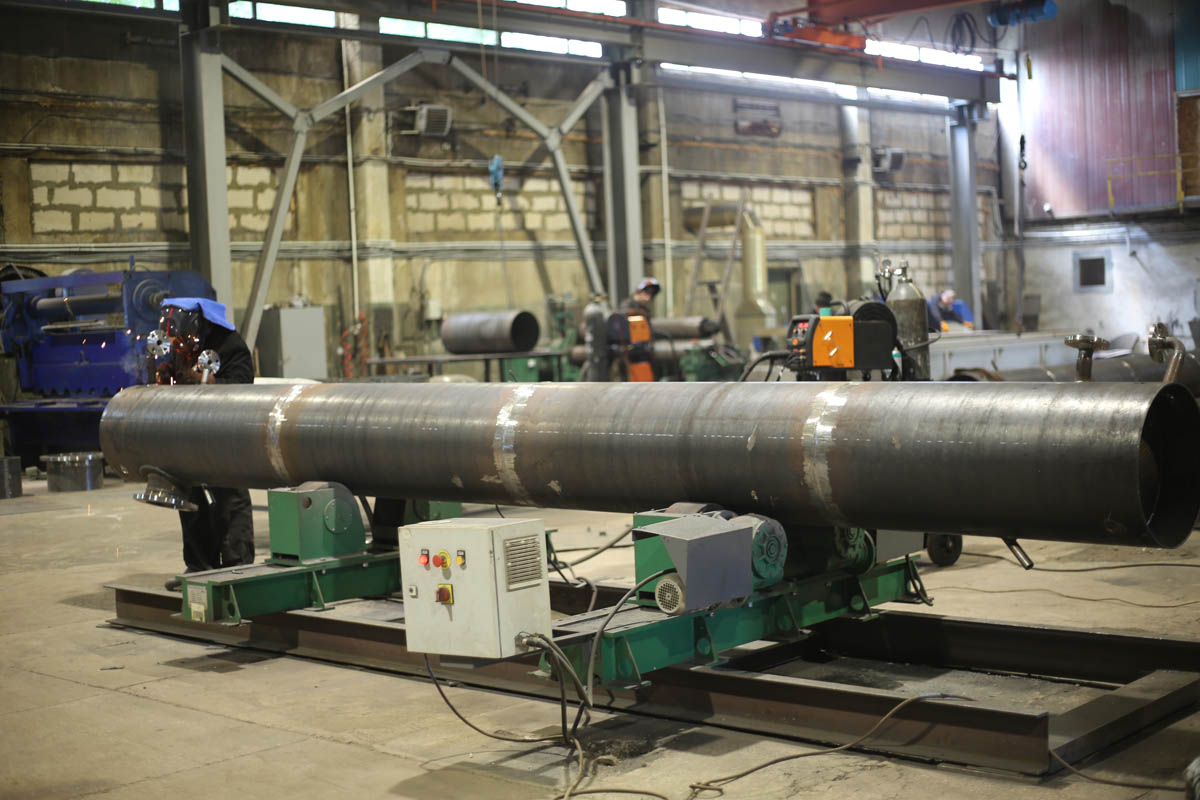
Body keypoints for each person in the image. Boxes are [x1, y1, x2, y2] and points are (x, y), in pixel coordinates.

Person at [154, 297, 255, 591]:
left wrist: (205, 382)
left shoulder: (231, 345)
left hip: (225, 434)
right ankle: (199, 566)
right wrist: (168, 377)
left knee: (229, 500)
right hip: (191, 433)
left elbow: (243, 389)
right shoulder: (183, 345)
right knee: (191, 500)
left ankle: (237, 569)